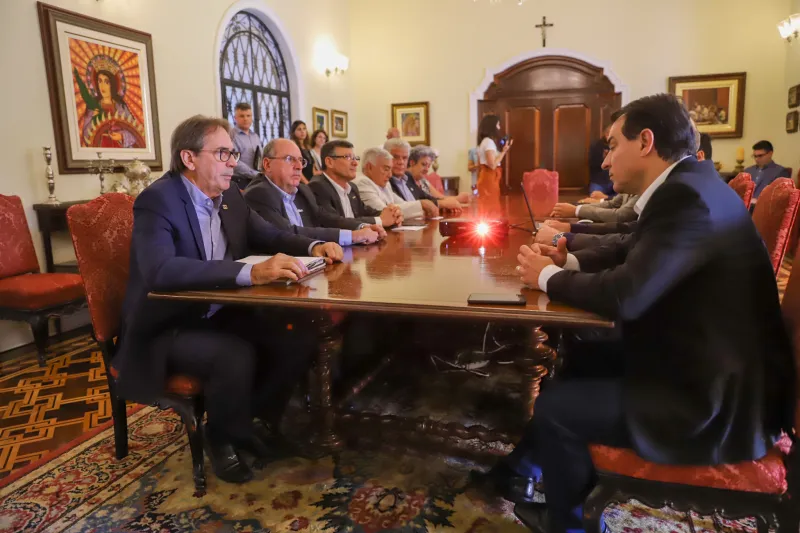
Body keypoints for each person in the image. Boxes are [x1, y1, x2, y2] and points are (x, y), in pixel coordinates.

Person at [482, 94, 795, 533]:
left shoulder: (687, 197)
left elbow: (628, 294)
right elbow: (631, 246)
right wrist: (565, 256)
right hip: (708, 359)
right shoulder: (691, 184)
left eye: (612, 145)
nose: (605, 160)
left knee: (555, 405)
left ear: (645, 141)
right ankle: (522, 470)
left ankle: (567, 524)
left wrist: (548, 277)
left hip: (710, 401)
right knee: (585, 355)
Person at [115, 115, 344, 485]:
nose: (233, 162)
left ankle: (255, 421)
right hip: (168, 323)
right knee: (232, 354)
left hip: (218, 310)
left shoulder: (229, 198)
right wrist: (250, 273)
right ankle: (220, 439)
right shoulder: (158, 200)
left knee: (298, 334)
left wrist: (314, 246)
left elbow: (271, 234)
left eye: (233, 153)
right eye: (222, 153)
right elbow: (160, 271)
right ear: (189, 159)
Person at [243, 138, 382, 245]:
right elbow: (287, 232)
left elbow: (327, 219)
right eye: (289, 159)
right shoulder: (259, 194)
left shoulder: (303, 190)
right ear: (267, 164)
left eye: (300, 161)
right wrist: (352, 236)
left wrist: (364, 227)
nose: (298, 167)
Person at [309, 140, 403, 227]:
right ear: (329, 162)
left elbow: (366, 212)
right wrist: (380, 220)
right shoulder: (317, 187)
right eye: (348, 157)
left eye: (355, 158)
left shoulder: (352, 188)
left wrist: (393, 215)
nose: (355, 163)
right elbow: (335, 222)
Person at [353, 147, 439, 220]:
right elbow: (384, 212)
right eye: (386, 169)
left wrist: (422, 205)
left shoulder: (385, 184)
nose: (390, 175)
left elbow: (402, 204)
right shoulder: (362, 183)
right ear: (369, 167)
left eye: (390, 169)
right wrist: (422, 204)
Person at [384, 138, 461, 213]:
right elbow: (402, 207)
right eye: (396, 157)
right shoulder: (384, 181)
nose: (401, 162)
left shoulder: (408, 177)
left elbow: (427, 198)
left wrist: (445, 205)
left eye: (404, 158)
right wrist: (441, 204)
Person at [407, 145, 471, 205]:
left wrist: (459, 198)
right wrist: (458, 199)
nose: (427, 169)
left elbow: (440, 198)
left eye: (428, 166)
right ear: (412, 163)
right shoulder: (404, 181)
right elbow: (419, 204)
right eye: (423, 164)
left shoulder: (423, 181)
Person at [476, 114, 512, 201]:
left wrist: (503, 150)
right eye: (498, 124)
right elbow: (492, 165)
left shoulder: (484, 141)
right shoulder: (488, 142)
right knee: (491, 207)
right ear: (492, 126)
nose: (499, 128)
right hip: (489, 179)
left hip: (487, 178)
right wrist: (503, 152)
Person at [230, 102, 263, 190]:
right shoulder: (231, 135)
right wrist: (255, 174)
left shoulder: (255, 136)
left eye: (248, 116)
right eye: (242, 116)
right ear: (235, 118)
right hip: (240, 181)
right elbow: (234, 160)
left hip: (256, 180)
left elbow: (260, 156)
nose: (245, 119)